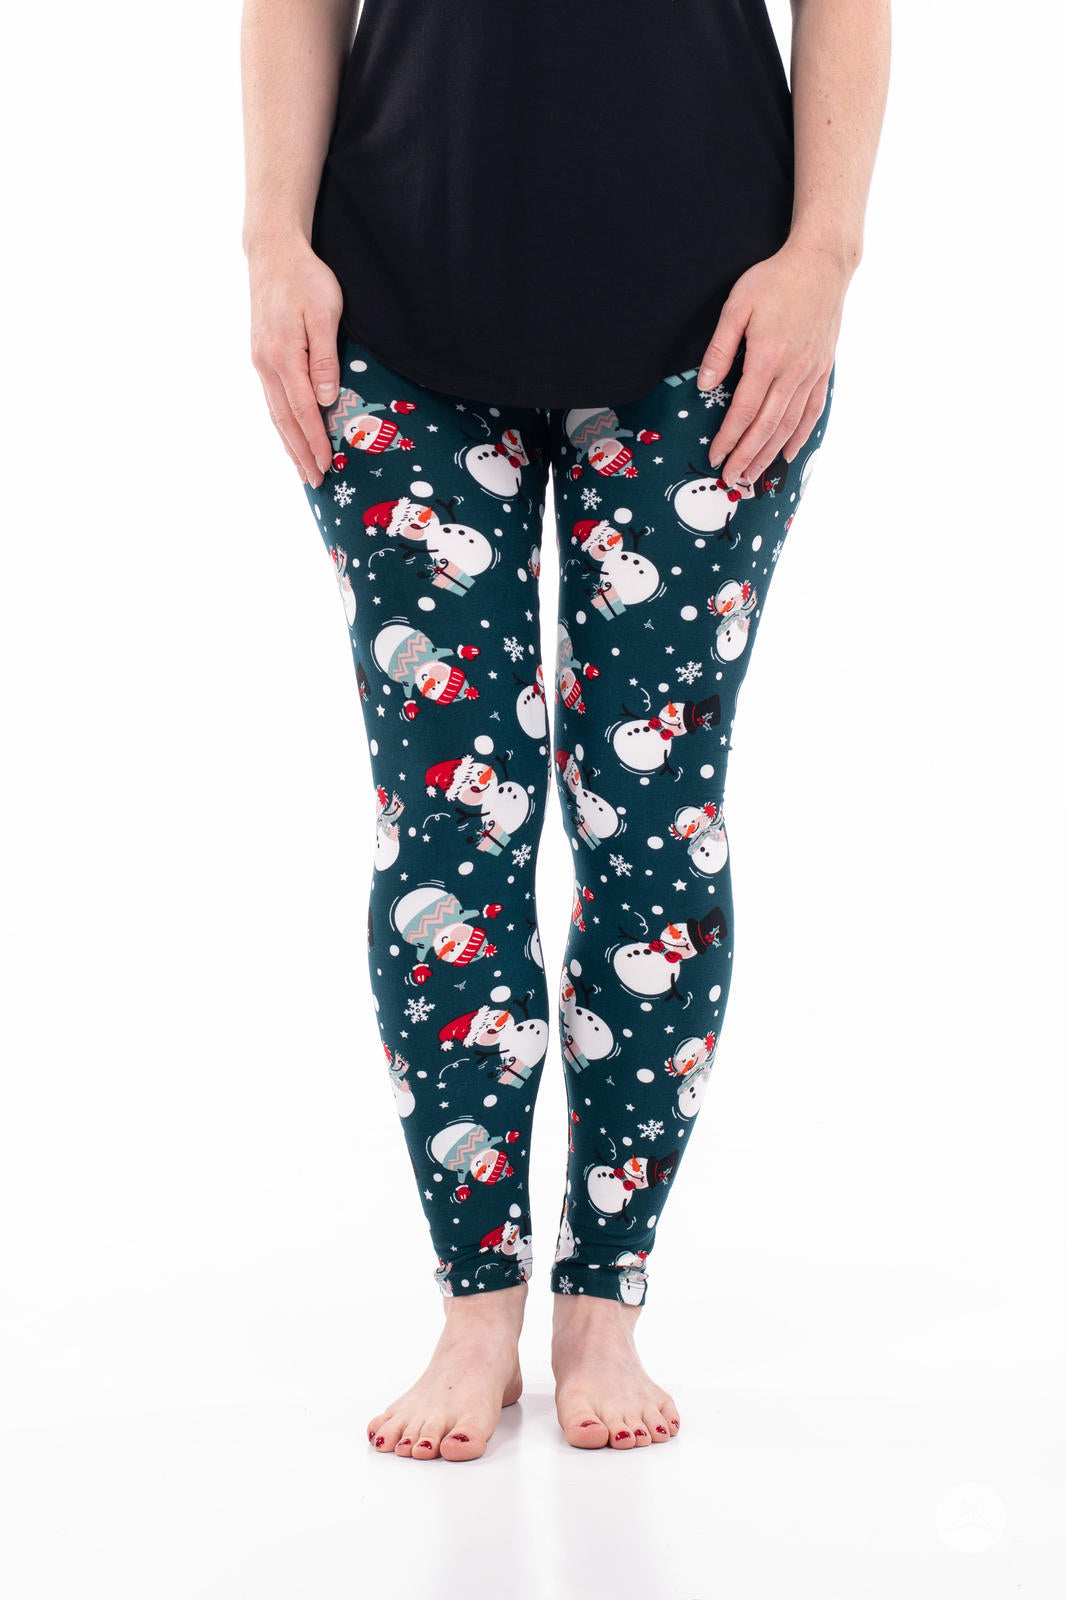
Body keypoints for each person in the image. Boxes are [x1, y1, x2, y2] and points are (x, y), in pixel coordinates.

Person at [239, 0, 890, 1461]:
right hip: (393, 312)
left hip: (711, 330)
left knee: (654, 828)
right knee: (444, 836)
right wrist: (271, 242)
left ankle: (604, 1304)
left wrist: (824, 256)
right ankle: (476, 1311)